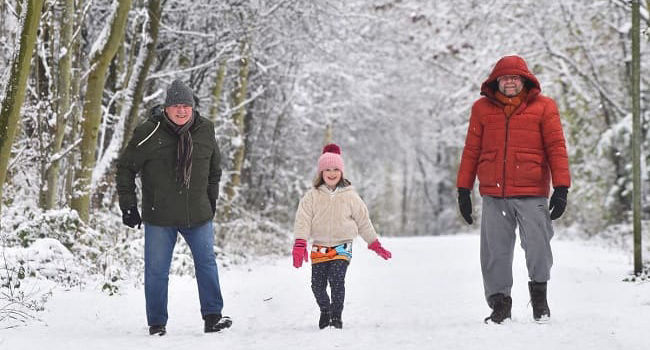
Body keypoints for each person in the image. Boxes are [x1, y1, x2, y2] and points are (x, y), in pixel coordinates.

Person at [456, 55, 571, 324]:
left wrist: (562, 187)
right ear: (497, 81)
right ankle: (500, 304)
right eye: (505, 78)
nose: (509, 82)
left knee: (539, 247)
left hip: (533, 192)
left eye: (514, 78)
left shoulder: (544, 107)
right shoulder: (481, 109)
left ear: (524, 80)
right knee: (495, 252)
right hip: (495, 195)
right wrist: (464, 189)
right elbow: (471, 150)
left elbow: (556, 148)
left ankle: (539, 298)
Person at [116, 79, 231, 335]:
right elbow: (125, 168)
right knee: (157, 271)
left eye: (186, 106)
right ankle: (157, 323)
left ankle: (213, 317)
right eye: (176, 105)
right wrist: (128, 206)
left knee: (207, 264)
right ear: (166, 108)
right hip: (160, 217)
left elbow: (215, 170)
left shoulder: (205, 130)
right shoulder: (148, 132)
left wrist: (211, 201)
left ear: (193, 107)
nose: (181, 111)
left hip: (198, 214)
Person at [292, 143, 392, 329]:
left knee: (337, 280)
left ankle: (336, 316)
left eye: (336, 169)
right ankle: (325, 310)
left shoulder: (350, 196)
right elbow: (302, 221)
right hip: (319, 246)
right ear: (321, 173)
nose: (332, 173)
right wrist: (300, 244)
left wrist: (374, 243)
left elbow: (363, 220)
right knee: (317, 285)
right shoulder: (311, 196)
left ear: (342, 172)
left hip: (342, 246)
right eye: (327, 169)